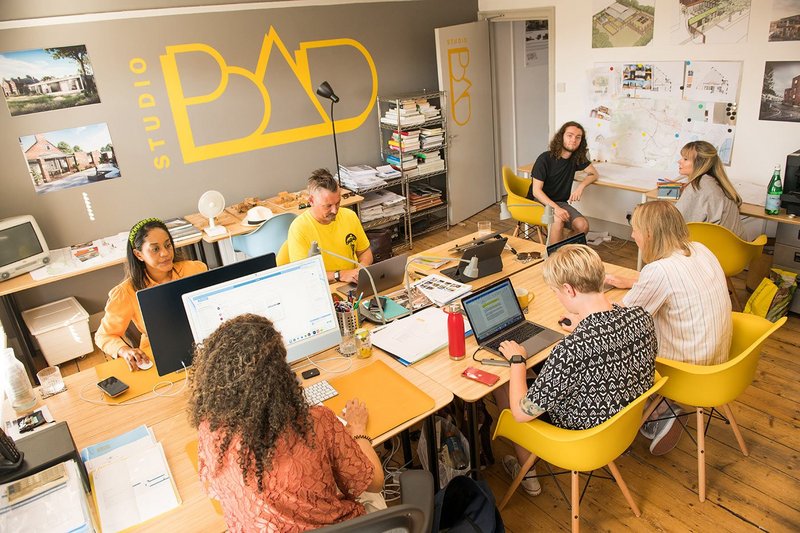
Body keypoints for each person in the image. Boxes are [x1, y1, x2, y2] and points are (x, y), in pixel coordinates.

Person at [189, 314, 385, 531]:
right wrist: (358, 430)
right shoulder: (314, 423)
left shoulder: (209, 430)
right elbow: (375, 482)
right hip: (338, 527)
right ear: (279, 373)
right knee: (370, 495)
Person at [494, 244, 656, 496]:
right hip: (622, 425)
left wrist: (517, 361)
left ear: (569, 289)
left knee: (507, 382)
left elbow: (521, 412)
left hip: (581, 438)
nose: (558, 296)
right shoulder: (641, 316)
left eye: (557, 291)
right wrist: (583, 325)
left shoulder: (573, 350)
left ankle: (528, 472)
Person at [605, 200, 733, 455]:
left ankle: (656, 411)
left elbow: (620, 320)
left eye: (636, 230)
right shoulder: (700, 249)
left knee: (615, 346)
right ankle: (658, 409)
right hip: (721, 362)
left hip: (685, 371)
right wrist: (634, 280)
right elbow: (676, 281)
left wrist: (581, 313)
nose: (632, 235)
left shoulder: (659, 271)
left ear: (650, 235)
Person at [94, 218, 207, 371]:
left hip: (205, 342)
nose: (165, 253)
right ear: (139, 255)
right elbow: (104, 335)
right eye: (155, 249)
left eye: (168, 245)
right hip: (160, 354)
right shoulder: (125, 292)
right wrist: (125, 350)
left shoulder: (195, 269)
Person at [287, 168, 373, 283]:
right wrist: (340, 275)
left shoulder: (350, 216)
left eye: (337, 203)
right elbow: (303, 274)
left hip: (351, 284)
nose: (334, 210)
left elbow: (364, 252)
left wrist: (362, 268)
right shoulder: (299, 228)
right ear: (311, 201)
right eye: (328, 206)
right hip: (323, 286)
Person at [527, 121, 600, 243]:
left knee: (582, 226)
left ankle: (563, 252)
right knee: (558, 220)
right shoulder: (545, 158)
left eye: (578, 137)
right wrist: (556, 208)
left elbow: (594, 174)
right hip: (539, 202)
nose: (573, 140)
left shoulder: (576, 158)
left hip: (560, 202)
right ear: (561, 137)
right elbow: (536, 191)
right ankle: (553, 259)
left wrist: (581, 186)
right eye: (569, 135)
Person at [675, 140, 746, 239]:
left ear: (700, 164)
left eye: (685, 159)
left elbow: (676, 222)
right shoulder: (717, 182)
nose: (679, 161)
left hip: (716, 249)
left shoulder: (698, 186)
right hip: (735, 247)